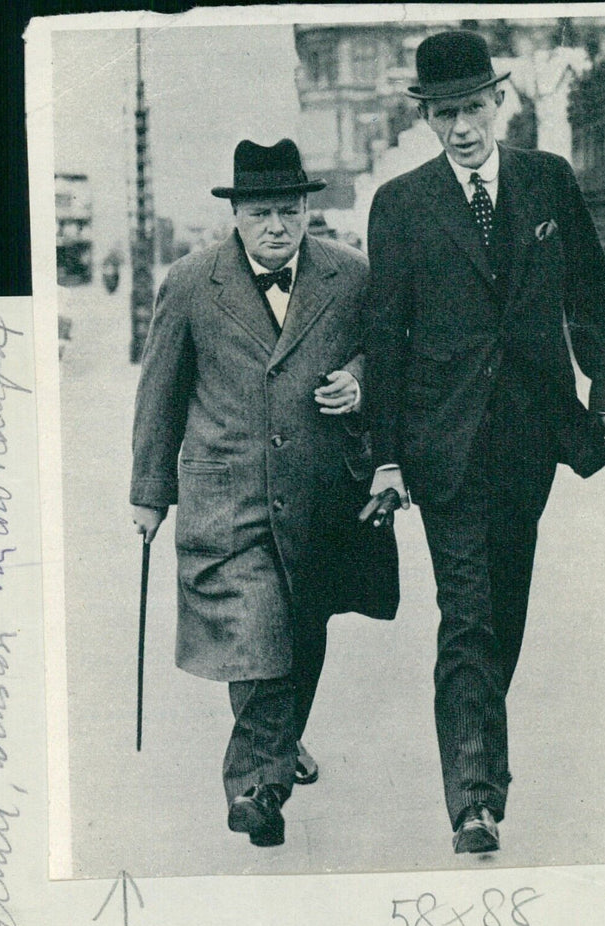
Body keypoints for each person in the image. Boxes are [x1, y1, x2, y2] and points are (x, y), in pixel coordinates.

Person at [363, 31, 605, 855]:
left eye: (473, 108)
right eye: (445, 114)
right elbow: (385, 336)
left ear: (499, 103)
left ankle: (483, 758)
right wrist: (384, 453)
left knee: (502, 610)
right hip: (440, 442)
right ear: (429, 119)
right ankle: (473, 798)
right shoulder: (400, 205)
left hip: (529, 435)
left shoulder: (547, 181)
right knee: (469, 613)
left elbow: (589, 285)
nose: (462, 128)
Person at [130, 138, 398, 848]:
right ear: (237, 214)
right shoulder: (191, 282)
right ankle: (255, 786)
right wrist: (148, 491)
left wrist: (362, 380)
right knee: (255, 634)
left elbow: (388, 354)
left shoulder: (351, 276)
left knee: (299, 630)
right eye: (261, 212)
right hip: (228, 495)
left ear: (308, 209)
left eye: (290, 209)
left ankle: (276, 746)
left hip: (321, 494)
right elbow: (160, 390)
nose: (277, 225)